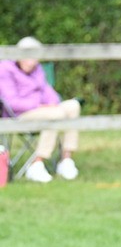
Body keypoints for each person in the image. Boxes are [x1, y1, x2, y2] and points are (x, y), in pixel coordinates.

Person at [0, 38, 81, 183]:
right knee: (56, 114)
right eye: (28, 56)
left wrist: (52, 102)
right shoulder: (5, 69)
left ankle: (66, 160)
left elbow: (49, 92)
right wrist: (39, 105)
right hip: (19, 115)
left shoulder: (37, 69)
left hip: (43, 110)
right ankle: (36, 164)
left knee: (73, 106)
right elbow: (11, 102)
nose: (32, 61)